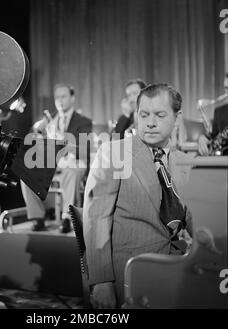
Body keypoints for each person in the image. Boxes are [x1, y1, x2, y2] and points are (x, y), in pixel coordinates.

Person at [83, 83, 193, 308]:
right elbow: (96, 218)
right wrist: (102, 280)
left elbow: (196, 221)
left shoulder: (185, 162)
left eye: (160, 115)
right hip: (129, 273)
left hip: (180, 268)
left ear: (177, 117)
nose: (150, 122)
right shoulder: (114, 153)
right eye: (144, 115)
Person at [21, 84, 93, 233]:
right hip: (52, 162)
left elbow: (84, 148)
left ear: (72, 98)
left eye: (63, 96)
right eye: (57, 97)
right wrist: (37, 129)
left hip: (75, 162)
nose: (59, 101)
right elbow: (32, 140)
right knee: (26, 173)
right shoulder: (49, 118)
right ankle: (38, 217)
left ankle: (68, 218)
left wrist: (62, 140)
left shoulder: (83, 121)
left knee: (71, 172)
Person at [198, 73, 228, 156]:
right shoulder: (219, 111)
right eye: (226, 88)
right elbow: (213, 136)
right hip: (222, 159)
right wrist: (203, 138)